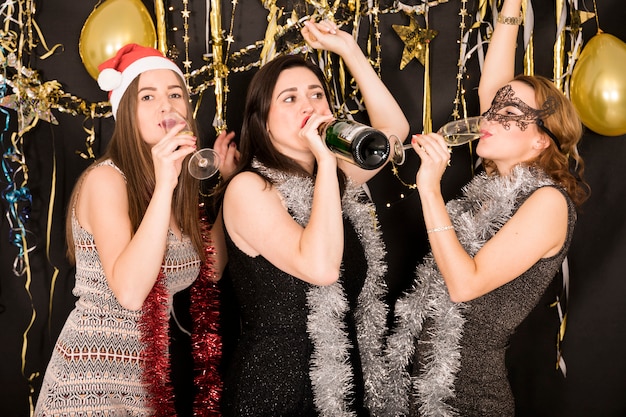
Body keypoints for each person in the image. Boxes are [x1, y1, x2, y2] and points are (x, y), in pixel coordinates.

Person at [384, 0, 590, 415]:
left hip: (467, 398)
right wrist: (512, 5)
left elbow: (464, 285)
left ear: (541, 140)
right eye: (493, 110)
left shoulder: (548, 201)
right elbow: (494, 89)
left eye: (509, 113)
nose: (490, 116)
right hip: (414, 392)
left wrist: (429, 189)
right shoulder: (495, 186)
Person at [216, 19, 409, 416]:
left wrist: (349, 52)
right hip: (276, 391)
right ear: (262, 120)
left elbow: (395, 130)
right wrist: (325, 157)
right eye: (289, 98)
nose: (308, 106)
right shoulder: (250, 189)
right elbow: (320, 267)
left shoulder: (338, 179)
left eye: (316, 94)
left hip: (346, 389)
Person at [34, 44, 236, 416]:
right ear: (126, 112)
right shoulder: (106, 180)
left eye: (175, 94)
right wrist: (164, 186)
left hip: (147, 383)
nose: (167, 105)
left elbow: (212, 266)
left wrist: (229, 185)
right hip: (89, 379)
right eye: (148, 95)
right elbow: (130, 292)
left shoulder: (177, 186)